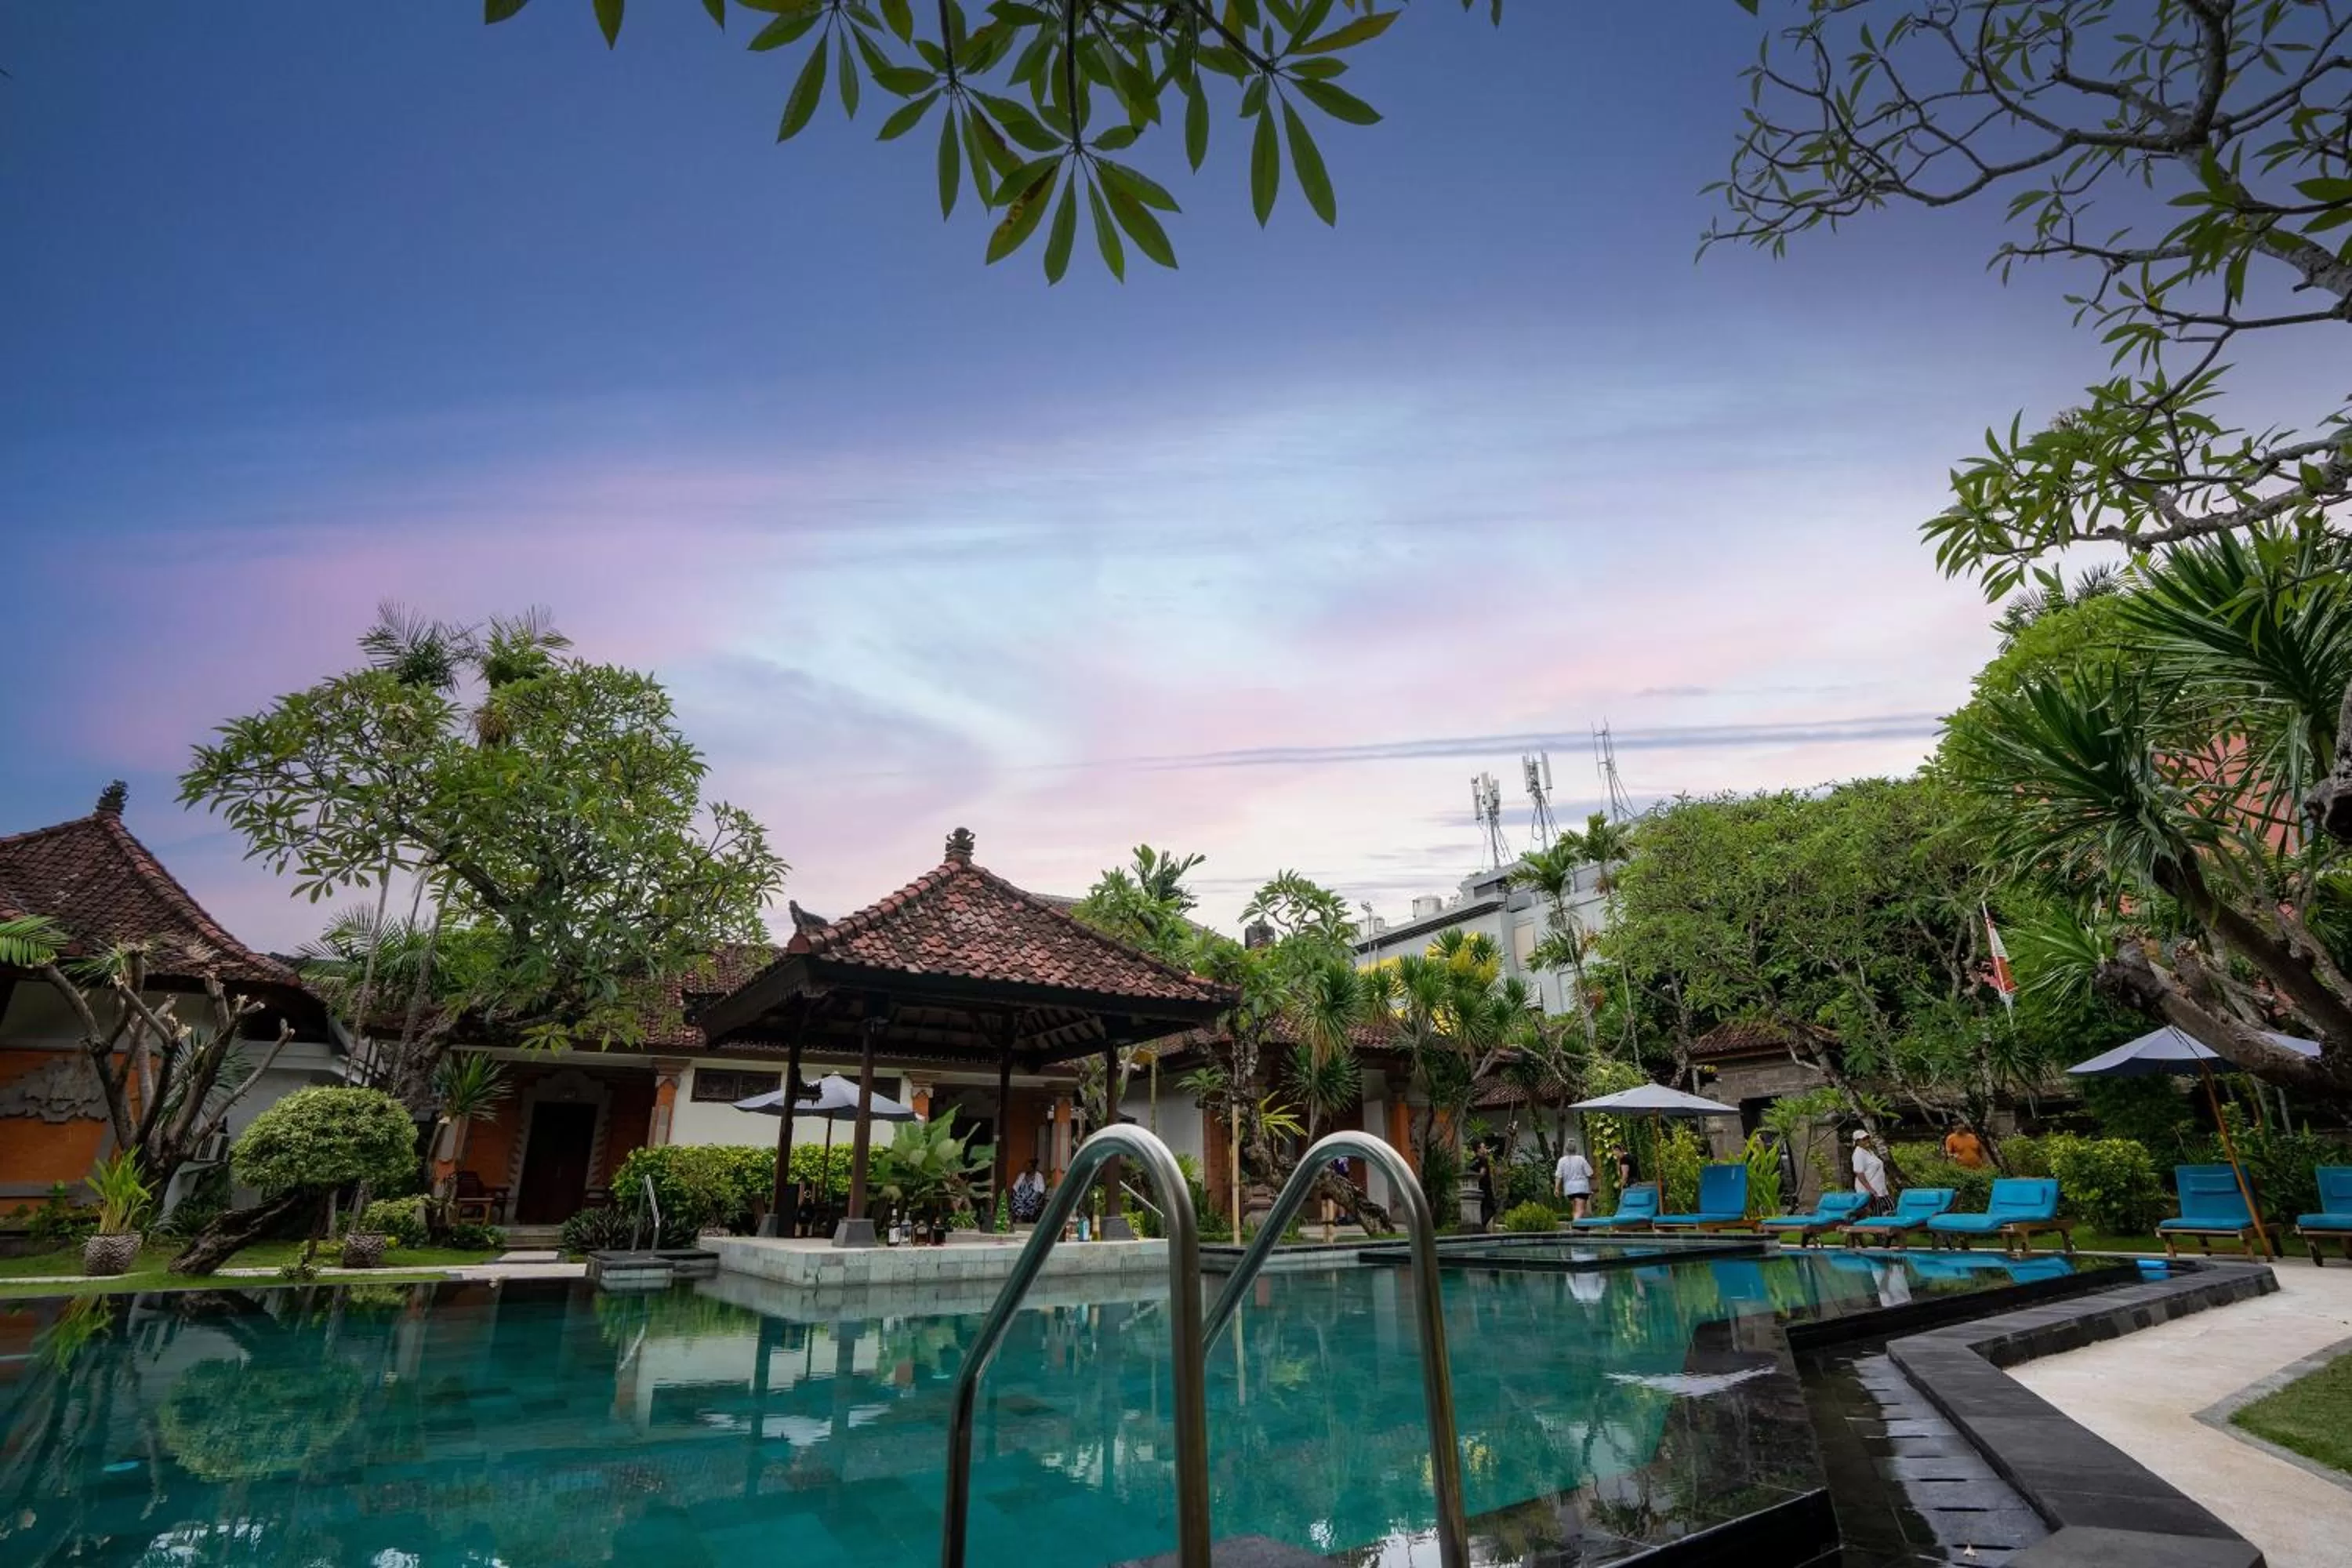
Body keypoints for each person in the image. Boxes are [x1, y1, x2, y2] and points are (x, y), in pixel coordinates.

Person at [1851, 1129, 1890, 1214]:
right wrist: (1870, 1190)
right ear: (1857, 1142)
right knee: (1878, 1215)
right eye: (1864, 1139)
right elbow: (1859, 1173)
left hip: (1880, 1189)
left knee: (1888, 1211)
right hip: (1870, 1191)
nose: (1867, 1140)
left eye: (1868, 1137)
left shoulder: (1870, 1151)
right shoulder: (1858, 1154)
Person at [1554, 1140, 1595, 1221]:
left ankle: (1579, 1229)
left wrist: (1556, 1188)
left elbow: (1558, 1176)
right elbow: (1590, 1173)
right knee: (1580, 1210)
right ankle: (1575, 1228)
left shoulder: (1562, 1161)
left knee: (1575, 1209)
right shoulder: (1581, 1159)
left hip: (1569, 1189)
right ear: (1575, 1149)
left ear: (1566, 1150)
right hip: (1581, 1188)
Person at [1010, 1159, 1047, 1225]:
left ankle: (1024, 1217)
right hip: (1022, 1194)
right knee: (1016, 1201)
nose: (1026, 1168)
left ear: (1032, 1168)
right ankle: (1021, 1216)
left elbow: (1042, 1189)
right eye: (1026, 1166)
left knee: (1030, 1202)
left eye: (1028, 1167)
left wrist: (1037, 1196)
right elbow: (1016, 1186)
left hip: (1033, 1195)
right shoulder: (1022, 1175)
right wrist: (1014, 1193)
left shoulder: (1038, 1176)